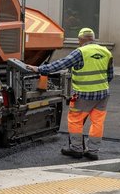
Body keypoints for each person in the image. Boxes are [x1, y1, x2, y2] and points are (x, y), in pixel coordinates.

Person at [30, 27, 113, 160]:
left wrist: (40, 69)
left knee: (75, 120)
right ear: (93, 38)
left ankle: (76, 149)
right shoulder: (106, 52)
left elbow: (61, 64)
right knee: (97, 122)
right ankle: (93, 151)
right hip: (103, 94)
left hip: (84, 94)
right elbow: (110, 75)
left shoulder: (80, 52)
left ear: (80, 40)